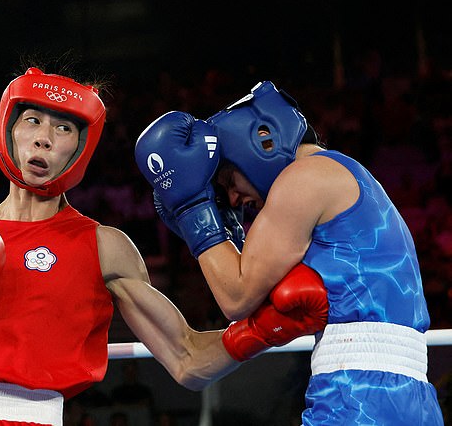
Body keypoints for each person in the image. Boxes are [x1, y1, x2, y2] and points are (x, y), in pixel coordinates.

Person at [0, 65, 327, 426]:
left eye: (63, 127)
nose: (44, 139)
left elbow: (188, 361)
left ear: (81, 147)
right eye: (32, 121)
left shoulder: (105, 247)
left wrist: (261, 331)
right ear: (8, 129)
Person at [134, 80, 444, 424]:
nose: (235, 200)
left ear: (260, 140)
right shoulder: (345, 174)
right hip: (410, 398)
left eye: (228, 181)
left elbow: (236, 298)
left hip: (357, 397)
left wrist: (194, 209)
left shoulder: (303, 178)